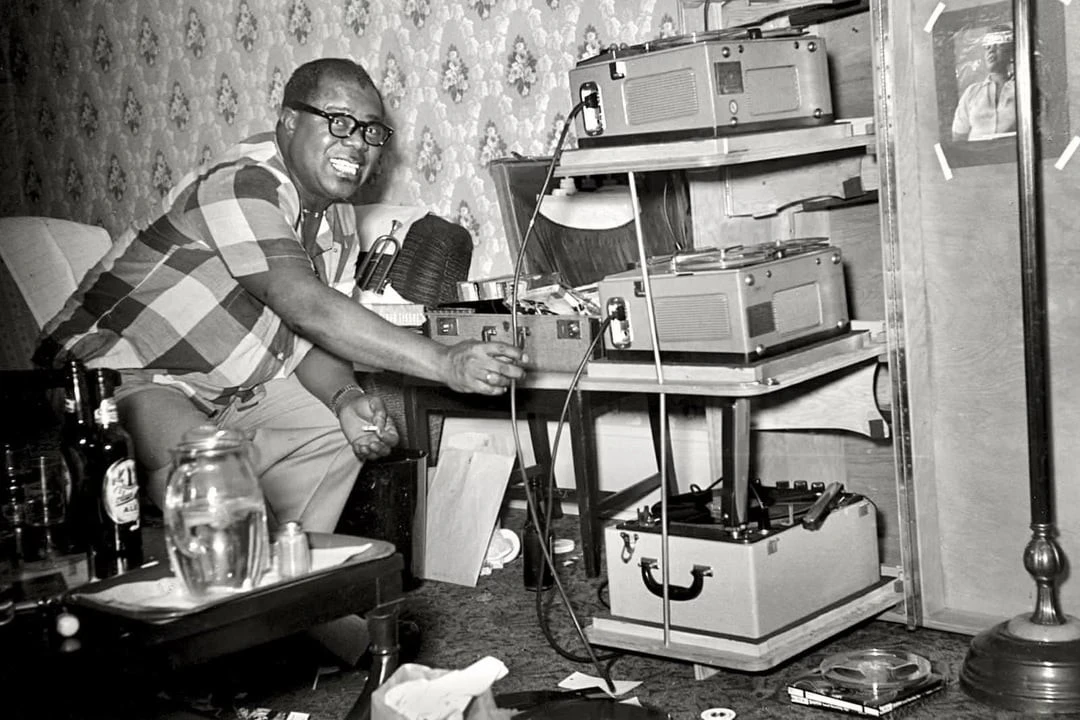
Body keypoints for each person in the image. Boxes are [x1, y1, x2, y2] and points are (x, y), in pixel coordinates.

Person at [36, 57, 527, 537]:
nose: (357, 143)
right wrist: (445, 361)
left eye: (370, 131)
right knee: (216, 472)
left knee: (342, 431)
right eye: (339, 122)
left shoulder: (336, 217)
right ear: (290, 121)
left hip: (223, 388)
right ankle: (242, 566)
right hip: (113, 374)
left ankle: (294, 572)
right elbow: (307, 307)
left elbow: (312, 338)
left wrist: (347, 399)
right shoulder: (241, 183)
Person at [951, 24, 1016, 141]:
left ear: (1010, 52)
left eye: (998, 45)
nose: (991, 50)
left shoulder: (1023, 88)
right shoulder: (972, 92)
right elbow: (959, 137)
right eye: (988, 47)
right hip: (976, 152)